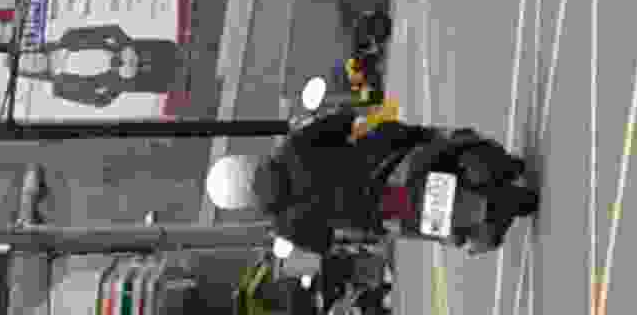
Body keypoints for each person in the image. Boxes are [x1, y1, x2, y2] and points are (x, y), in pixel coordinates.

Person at [206, 108, 539, 250]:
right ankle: (476, 154)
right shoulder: (293, 146)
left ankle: (466, 230)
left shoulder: (284, 224)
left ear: (243, 203)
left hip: (384, 214)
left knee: (415, 230)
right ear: (245, 162)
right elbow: (346, 122)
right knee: (416, 133)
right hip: (385, 162)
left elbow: (326, 243)